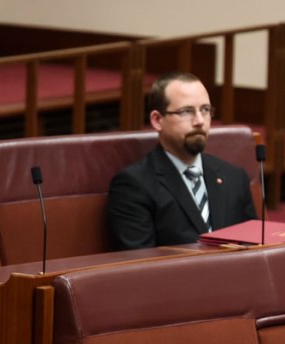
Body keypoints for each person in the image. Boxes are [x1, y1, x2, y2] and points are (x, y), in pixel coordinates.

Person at [107, 71, 256, 250]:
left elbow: (254, 249)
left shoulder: (234, 177)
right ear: (157, 120)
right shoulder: (135, 185)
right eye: (186, 111)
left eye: (205, 110)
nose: (200, 121)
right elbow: (139, 266)